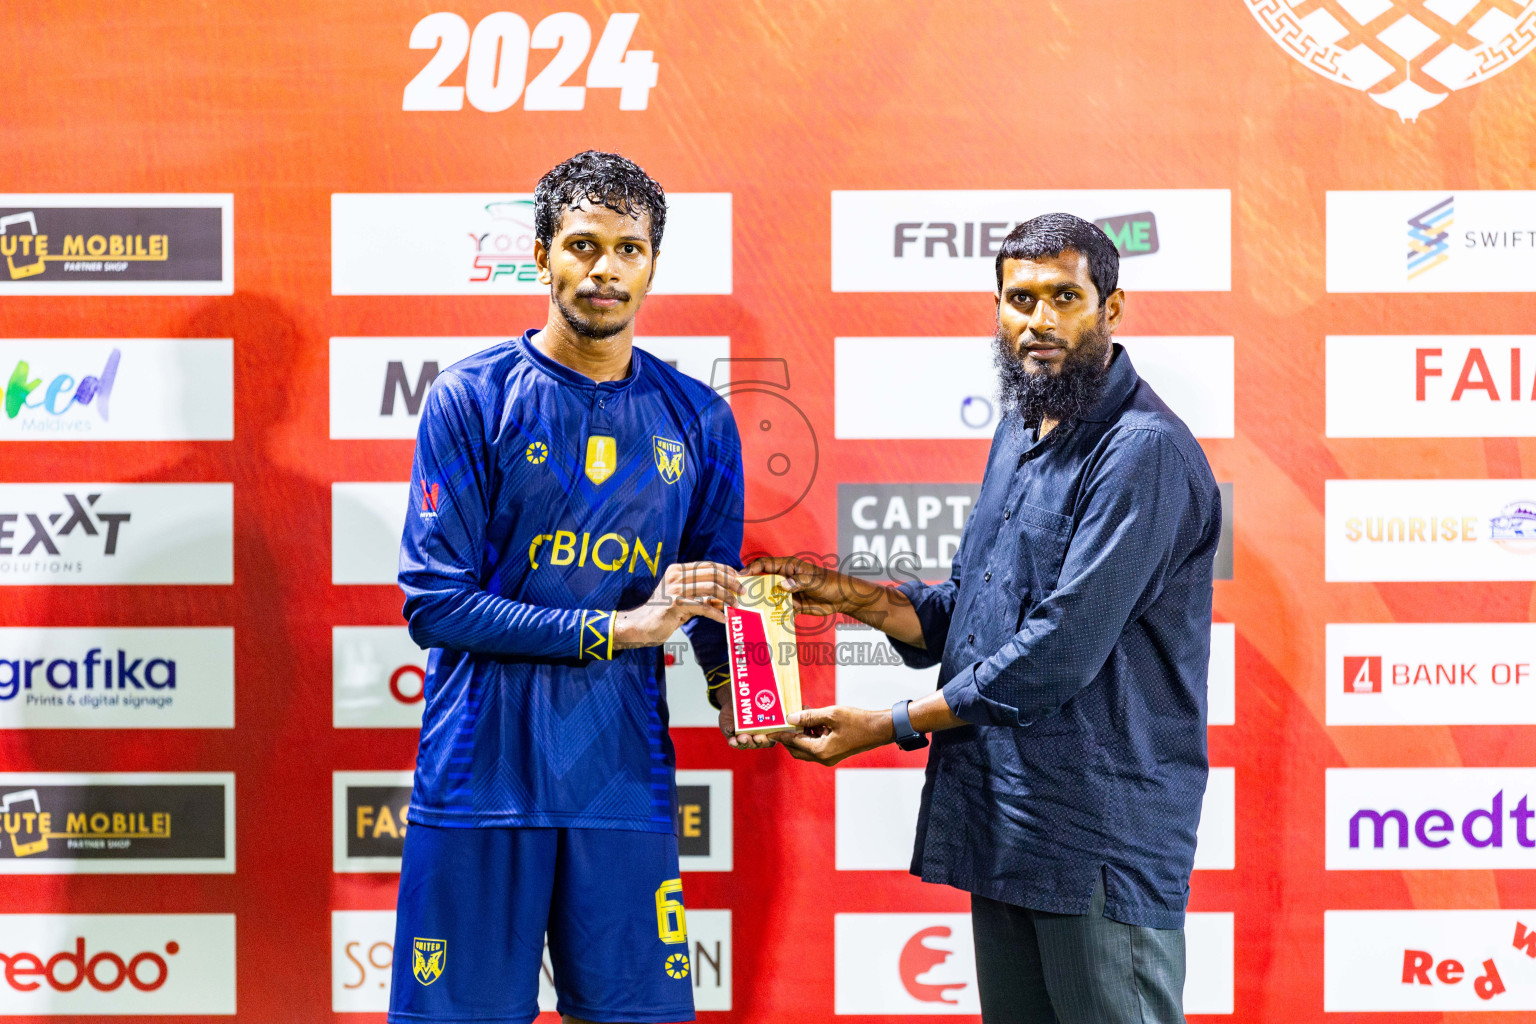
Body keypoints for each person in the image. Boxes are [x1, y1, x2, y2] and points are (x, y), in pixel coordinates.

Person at [751, 213, 1222, 1024]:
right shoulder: (1020, 427)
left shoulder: (1142, 450)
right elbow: (972, 614)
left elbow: (1057, 651)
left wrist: (891, 723)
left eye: (1064, 297)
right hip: (1008, 825)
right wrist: (853, 598)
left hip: (1098, 839)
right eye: (1019, 298)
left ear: (1111, 309)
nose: (1037, 321)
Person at [390, 150, 767, 1024]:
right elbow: (434, 603)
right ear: (541, 253)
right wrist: (626, 630)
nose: (605, 270)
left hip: (619, 782)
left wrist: (742, 693)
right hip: (480, 781)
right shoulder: (470, 397)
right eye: (583, 245)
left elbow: (715, 592)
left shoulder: (698, 415)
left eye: (628, 249)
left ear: (653, 264)